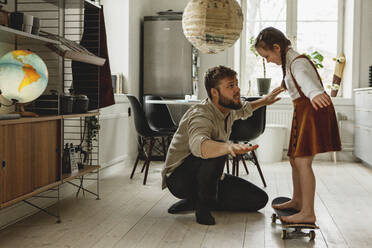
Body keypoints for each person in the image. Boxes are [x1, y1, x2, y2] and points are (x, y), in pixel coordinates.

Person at [161, 65, 284, 225]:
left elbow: (244, 109)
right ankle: (203, 207)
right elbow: (199, 145)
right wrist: (228, 147)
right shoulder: (201, 115)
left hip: (205, 176)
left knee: (258, 200)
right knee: (217, 147)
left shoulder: (228, 108)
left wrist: (264, 101)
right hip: (179, 180)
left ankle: (196, 200)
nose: (237, 89)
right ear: (214, 92)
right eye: (230, 86)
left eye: (236, 83)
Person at [254, 27, 341, 224]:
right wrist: (279, 89)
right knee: (294, 159)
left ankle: (308, 212)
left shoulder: (297, 63)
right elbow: (293, 80)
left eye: (267, 56)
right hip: (304, 111)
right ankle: (298, 200)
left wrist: (314, 93)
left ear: (277, 47)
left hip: (312, 110)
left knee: (302, 162)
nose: (268, 61)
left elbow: (304, 79)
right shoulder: (290, 61)